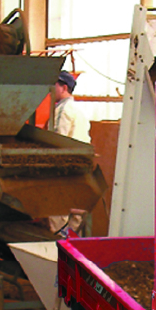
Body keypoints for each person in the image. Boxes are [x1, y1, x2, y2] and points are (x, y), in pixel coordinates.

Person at [47, 70, 90, 237]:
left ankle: (57, 245)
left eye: (54, 85)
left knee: (58, 209)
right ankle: (73, 245)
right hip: (81, 165)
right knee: (75, 213)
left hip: (65, 166)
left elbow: (59, 140)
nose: (50, 89)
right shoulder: (78, 109)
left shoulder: (62, 110)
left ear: (63, 87)